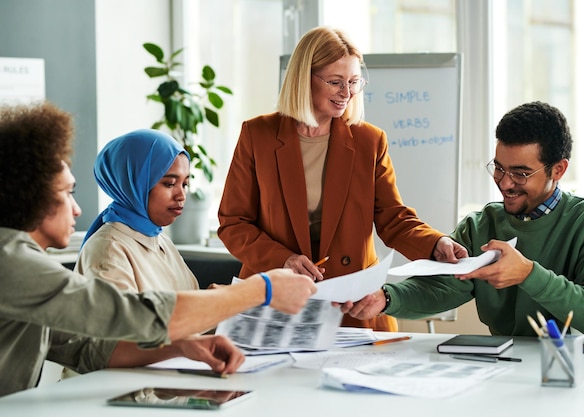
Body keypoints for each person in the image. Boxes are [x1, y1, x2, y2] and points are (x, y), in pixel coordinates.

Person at [0, 101, 317, 397]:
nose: (78, 209)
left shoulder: (23, 260)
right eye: (68, 192)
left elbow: (87, 348)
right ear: (30, 195)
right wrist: (260, 290)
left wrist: (180, 346)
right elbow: (130, 315)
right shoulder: (13, 264)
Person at [217, 26, 468, 332]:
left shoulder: (369, 141)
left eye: (353, 82)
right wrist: (282, 260)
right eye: (335, 82)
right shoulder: (258, 135)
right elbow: (234, 222)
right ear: (302, 79)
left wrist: (436, 242)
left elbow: (393, 218)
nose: (346, 93)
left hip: (351, 302)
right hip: (275, 298)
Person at [341, 101, 584, 340]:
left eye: (521, 173)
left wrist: (528, 274)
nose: (504, 183)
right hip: (499, 365)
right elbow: (445, 288)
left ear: (559, 169)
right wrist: (387, 298)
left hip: (570, 369)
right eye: (499, 168)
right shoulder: (481, 224)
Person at [76, 129, 198, 292]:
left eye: (185, 184)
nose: (182, 196)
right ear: (134, 183)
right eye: (169, 184)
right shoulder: (109, 251)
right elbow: (127, 317)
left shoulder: (159, 239)